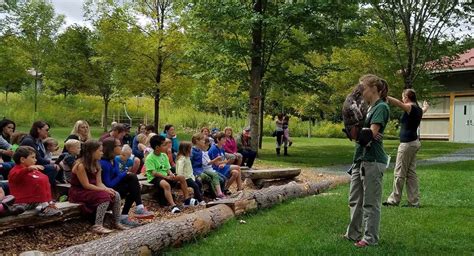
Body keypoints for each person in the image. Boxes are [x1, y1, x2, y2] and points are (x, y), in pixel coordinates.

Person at [344, 74, 390, 248]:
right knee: (354, 199)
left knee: (370, 201)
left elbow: (367, 136)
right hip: (360, 159)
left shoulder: (381, 107)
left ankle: (370, 238)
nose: (360, 91)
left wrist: (364, 134)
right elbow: (362, 136)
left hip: (373, 160)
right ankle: (352, 233)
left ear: (373, 89)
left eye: (363, 88)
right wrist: (359, 133)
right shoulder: (368, 109)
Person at [68, 140, 128, 234]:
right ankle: (98, 225)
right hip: (79, 191)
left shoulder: (97, 164)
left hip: (92, 189)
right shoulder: (80, 165)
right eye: (99, 151)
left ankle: (117, 222)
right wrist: (104, 190)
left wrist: (107, 189)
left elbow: (99, 183)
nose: (102, 153)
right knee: (104, 197)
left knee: (115, 194)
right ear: (91, 151)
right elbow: (86, 185)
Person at [383, 89, 429, 208]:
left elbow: (398, 103)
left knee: (399, 172)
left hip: (407, 144)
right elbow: (423, 110)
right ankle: (414, 202)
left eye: (403, 96)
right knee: (411, 173)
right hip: (414, 143)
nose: (402, 98)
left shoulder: (410, 108)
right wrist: (425, 106)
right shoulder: (418, 110)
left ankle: (394, 200)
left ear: (407, 97)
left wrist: (385, 96)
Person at [100, 138, 154, 227]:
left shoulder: (114, 160)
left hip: (115, 188)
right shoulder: (104, 163)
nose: (121, 147)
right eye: (119, 145)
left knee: (134, 184)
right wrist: (124, 174)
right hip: (107, 190)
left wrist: (132, 181)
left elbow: (119, 175)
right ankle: (135, 210)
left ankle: (129, 213)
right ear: (112, 148)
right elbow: (109, 184)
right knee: (133, 182)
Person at [145, 135, 198, 213]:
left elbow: (167, 168)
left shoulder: (164, 155)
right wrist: (166, 177)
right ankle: (173, 205)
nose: (167, 147)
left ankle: (187, 199)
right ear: (157, 147)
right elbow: (154, 173)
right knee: (166, 185)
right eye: (164, 145)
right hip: (155, 177)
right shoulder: (150, 158)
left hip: (165, 175)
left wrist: (171, 174)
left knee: (182, 177)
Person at [9, 146, 62, 216]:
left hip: (35, 201)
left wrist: (49, 201)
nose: (36, 160)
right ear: (22, 159)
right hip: (21, 202)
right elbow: (16, 176)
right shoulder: (16, 170)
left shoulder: (33, 170)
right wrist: (28, 169)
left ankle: (46, 206)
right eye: (33, 157)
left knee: (43, 179)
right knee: (19, 208)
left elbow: (45, 182)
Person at [20, 121, 60, 189]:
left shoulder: (39, 141)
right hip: (28, 166)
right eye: (46, 130)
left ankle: (54, 185)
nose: (48, 132)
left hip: (35, 164)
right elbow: (38, 159)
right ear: (38, 129)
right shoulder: (29, 141)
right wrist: (52, 162)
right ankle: (45, 188)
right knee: (53, 168)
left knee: (58, 166)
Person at [191, 133, 226, 199]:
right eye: (202, 140)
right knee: (208, 178)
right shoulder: (192, 151)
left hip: (201, 170)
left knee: (221, 178)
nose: (204, 141)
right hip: (195, 171)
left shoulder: (200, 151)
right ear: (197, 141)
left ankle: (219, 194)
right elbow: (190, 164)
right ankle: (215, 196)